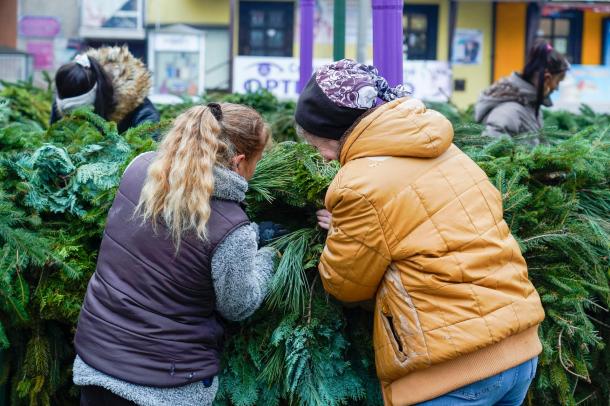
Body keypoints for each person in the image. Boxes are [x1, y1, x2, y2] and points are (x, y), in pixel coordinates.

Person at [295, 59, 545, 406]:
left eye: (316, 143)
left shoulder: (358, 184)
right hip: (518, 351)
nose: (320, 157)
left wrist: (340, 231)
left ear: (334, 130)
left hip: (452, 371)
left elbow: (345, 284)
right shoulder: (448, 151)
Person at [72, 103, 276, 406]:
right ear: (239, 162)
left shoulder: (139, 167)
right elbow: (239, 305)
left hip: (96, 361)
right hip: (167, 384)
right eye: (257, 162)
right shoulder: (232, 227)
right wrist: (268, 256)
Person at [51, 46, 160, 136]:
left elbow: (146, 158)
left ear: (97, 98)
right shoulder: (65, 98)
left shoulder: (143, 115)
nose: (76, 119)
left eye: (82, 114)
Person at [475, 40, 569, 143]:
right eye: (558, 81)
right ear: (547, 79)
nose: (557, 88)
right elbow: (489, 148)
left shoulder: (530, 106)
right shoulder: (508, 112)